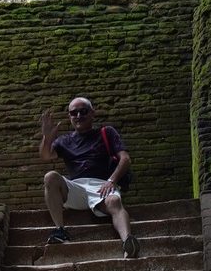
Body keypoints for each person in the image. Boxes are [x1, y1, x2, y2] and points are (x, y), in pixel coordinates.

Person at [39, 96, 139, 257]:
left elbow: (125, 158)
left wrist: (111, 180)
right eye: (74, 113)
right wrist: (47, 137)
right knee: (50, 176)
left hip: (102, 185)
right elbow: (45, 156)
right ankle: (60, 231)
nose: (78, 116)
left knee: (114, 201)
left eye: (83, 111)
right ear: (69, 116)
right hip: (76, 188)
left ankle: (128, 243)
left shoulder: (106, 132)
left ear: (92, 113)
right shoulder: (65, 140)